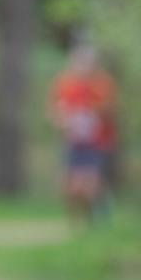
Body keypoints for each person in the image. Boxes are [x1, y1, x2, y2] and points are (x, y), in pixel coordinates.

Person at [48, 45, 117, 223]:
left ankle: (97, 216)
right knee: (70, 185)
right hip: (73, 141)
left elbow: (111, 110)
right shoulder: (65, 84)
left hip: (95, 142)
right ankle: (77, 221)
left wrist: (94, 113)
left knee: (90, 183)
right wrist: (63, 119)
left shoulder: (102, 85)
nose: (84, 67)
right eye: (80, 63)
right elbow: (55, 111)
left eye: (88, 63)